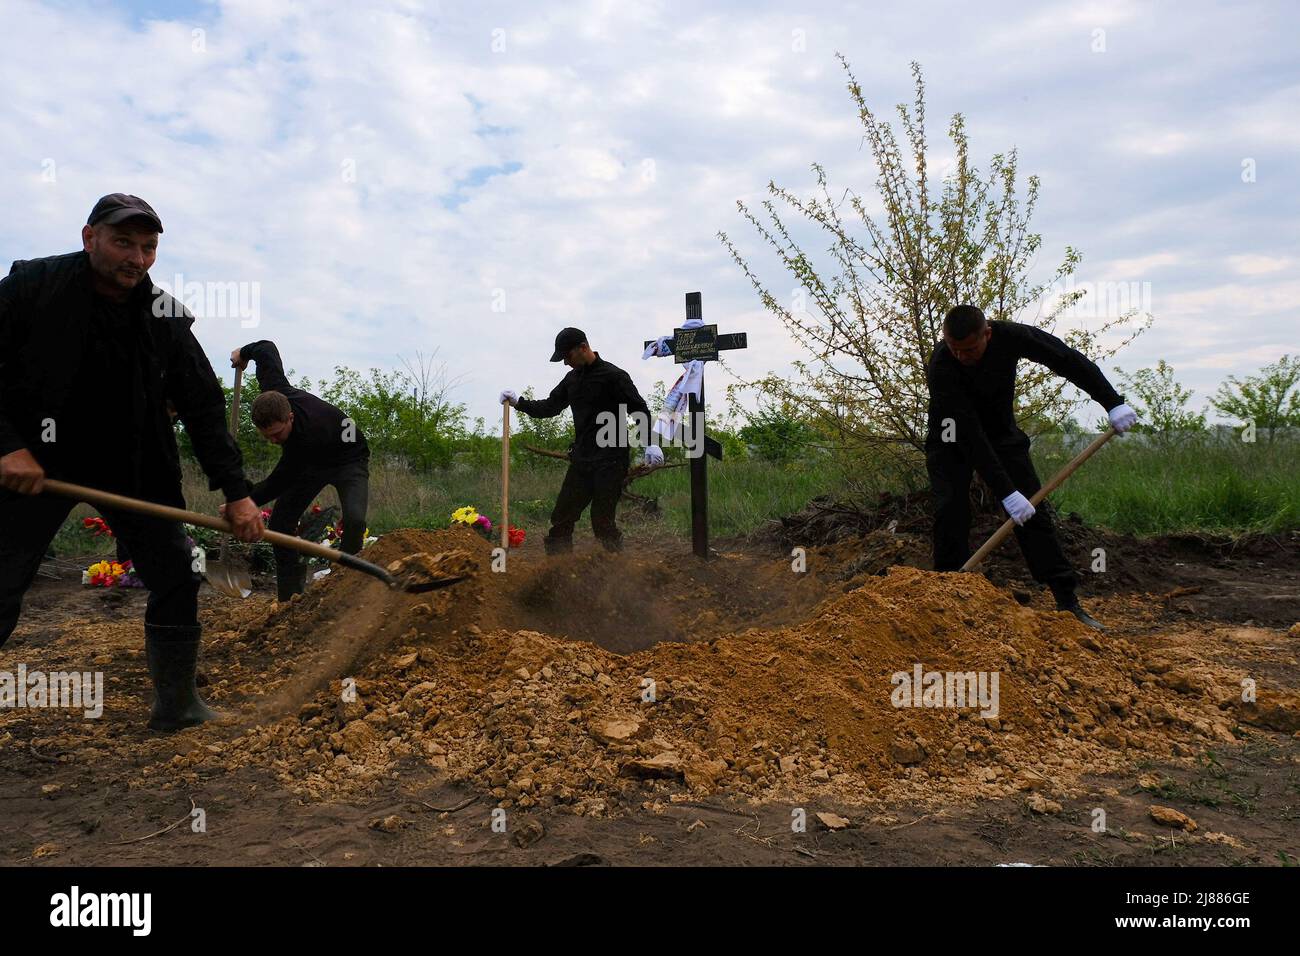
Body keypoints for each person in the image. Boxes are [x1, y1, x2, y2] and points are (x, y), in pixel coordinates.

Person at [0, 193, 264, 730]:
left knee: (175, 574)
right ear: (89, 237)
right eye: (124, 242)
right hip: (37, 462)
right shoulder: (33, 286)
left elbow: (205, 409)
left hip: (133, 464)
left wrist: (236, 493)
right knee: (2, 578)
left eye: (148, 247)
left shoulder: (165, 315)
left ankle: (177, 706)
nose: (137, 258)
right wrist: (7, 445)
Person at [925, 304, 1138, 631]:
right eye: (955, 350)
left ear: (988, 334)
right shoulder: (942, 364)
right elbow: (968, 432)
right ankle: (944, 599)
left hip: (1001, 433)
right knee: (950, 509)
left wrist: (1111, 400)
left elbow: (1065, 359)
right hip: (952, 437)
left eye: (970, 350)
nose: (962, 357)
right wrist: (1005, 492)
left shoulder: (1011, 336)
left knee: (1034, 511)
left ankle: (1067, 602)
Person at [231, 340, 370, 600]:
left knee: (355, 519)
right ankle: (289, 595)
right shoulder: (274, 395)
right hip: (314, 463)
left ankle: (346, 580)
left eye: (277, 434)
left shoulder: (306, 437)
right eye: (267, 436)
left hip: (349, 458)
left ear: (290, 418)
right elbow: (266, 348)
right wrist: (243, 353)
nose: (273, 441)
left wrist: (243, 501)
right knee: (281, 521)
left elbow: (279, 481)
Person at [501, 327, 655, 554]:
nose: (565, 363)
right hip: (582, 460)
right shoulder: (571, 380)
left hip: (611, 462)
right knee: (561, 519)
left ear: (583, 348)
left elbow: (639, 410)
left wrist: (650, 443)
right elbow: (550, 407)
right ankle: (558, 575)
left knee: (602, 523)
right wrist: (519, 403)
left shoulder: (614, 376)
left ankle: (618, 571)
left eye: (567, 356)